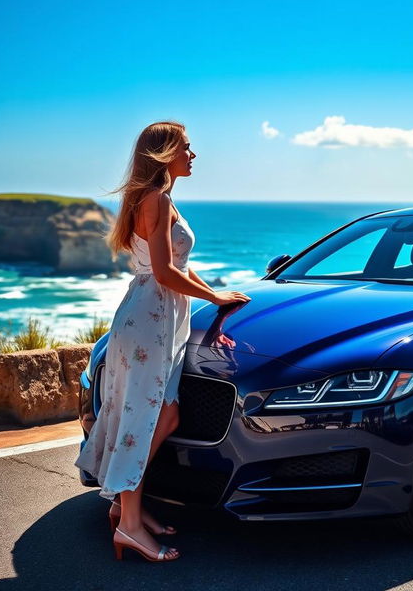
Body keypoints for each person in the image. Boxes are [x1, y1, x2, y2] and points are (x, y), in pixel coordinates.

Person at [75, 121, 250, 562]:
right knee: (143, 419)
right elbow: (167, 273)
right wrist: (212, 297)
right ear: (165, 152)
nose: (193, 155)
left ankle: (124, 501)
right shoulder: (157, 199)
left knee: (165, 416)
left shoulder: (154, 199)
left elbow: (176, 266)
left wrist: (216, 294)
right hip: (150, 319)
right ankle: (130, 525)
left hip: (156, 315)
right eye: (187, 148)